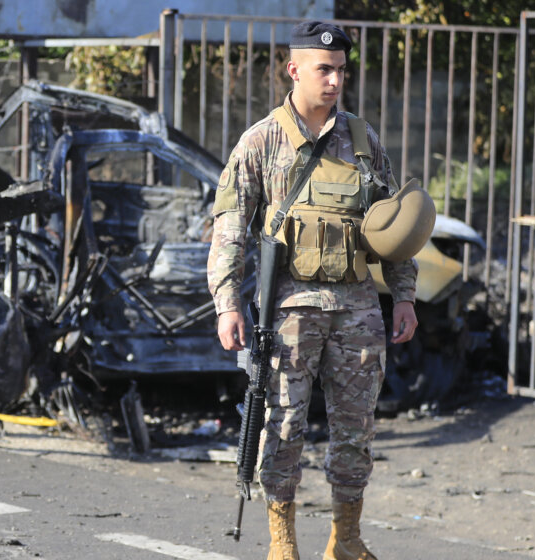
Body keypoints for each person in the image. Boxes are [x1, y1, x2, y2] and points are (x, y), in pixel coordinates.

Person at [207, 20, 420, 560]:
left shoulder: (364, 139)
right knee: (281, 429)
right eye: (323, 69)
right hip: (288, 312)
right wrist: (228, 304)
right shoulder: (261, 141)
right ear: (293, 69)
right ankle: (283, 545)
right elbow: (229, 229)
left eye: (341, 71)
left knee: (356, 433)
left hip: (358, 309)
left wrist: (406, 297)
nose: (334, 81)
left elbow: (394, 227)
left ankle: (345, 540)